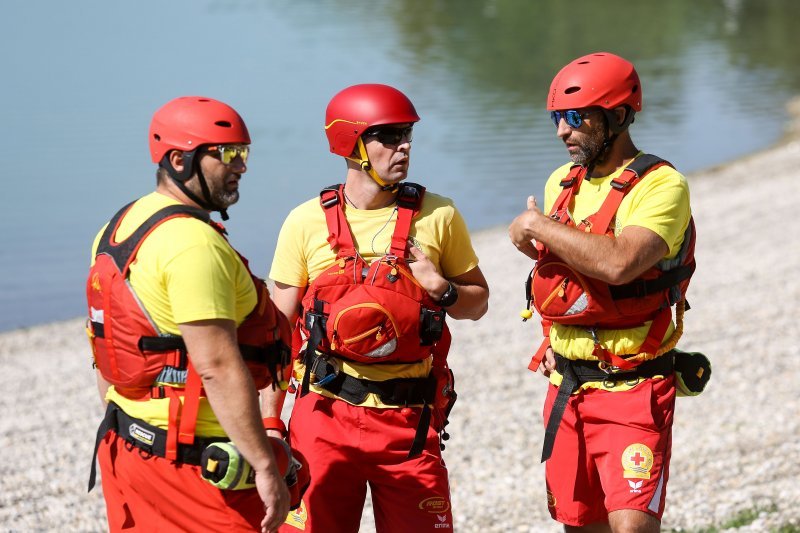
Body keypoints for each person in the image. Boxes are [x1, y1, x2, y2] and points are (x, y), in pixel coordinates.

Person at [263, 83, 490, 532]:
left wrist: (440, 288)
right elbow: (275, 335)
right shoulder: (304, 222)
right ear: (352, 142)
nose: (403, 146)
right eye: (388, 136)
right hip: (323, 417)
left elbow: (477, 304)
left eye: (406, 134)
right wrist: (270, 424)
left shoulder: (439, 216)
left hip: (408, 421)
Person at [85, 96, 304, 532]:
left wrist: (134, 416)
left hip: (126, 447)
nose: (241, 166)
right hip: (194, 466)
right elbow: (218, 366)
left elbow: (103, 338)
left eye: (244, 153)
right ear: (180, 159)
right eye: (227, 155)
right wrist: (264, 466)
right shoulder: (193, 245)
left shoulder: (120, 226)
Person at [509, 52, 696, 532]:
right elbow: (569, 273)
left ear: (616, 115)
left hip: (634, 388)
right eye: (556, 118)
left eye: (574, 118)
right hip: (567, 387)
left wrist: (538, 226)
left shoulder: (662, 185)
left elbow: (618, 263)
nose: (561, 132)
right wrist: (549, 336)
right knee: (578, 526)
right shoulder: (561, 183)